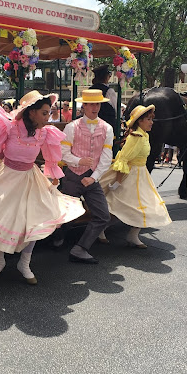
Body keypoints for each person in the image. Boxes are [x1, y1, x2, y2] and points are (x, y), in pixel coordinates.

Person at [0, 92, 84, 284]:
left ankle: (25, 262)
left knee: (35, 219)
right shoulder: (10, 128)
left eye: (49, 113)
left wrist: (54, 178)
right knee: (2, 218)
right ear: (32, 113)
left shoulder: (45, 132)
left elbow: (50, 156)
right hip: (6, 176)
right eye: (44, 113)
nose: (48, 118)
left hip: (31, 178)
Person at [55, 89, 114, 263]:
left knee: (103, 215)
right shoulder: (71, 127)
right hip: (72, 176)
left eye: (98, 104)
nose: (95, 107)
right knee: (66, 213)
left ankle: (80, 249)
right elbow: (63, 152)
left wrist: (94, 177)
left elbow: (106, 157)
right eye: (91, 104)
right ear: (84, 106)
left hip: (91, 178)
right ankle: (59, 236)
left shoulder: (107, 128)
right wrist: (79, 161)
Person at [99, 104, 171, 247]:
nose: (151, 122)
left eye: (151, 119)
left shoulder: (144, 135)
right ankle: (101, 229)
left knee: (144, 206)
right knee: (122, 206)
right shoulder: (136, 137)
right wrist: (118, 182)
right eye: (148, 119)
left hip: (141, 174)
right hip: (130, 176)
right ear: (139, 121)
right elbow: (123, 159)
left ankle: (132, 235)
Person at [92, 64, 117, 131]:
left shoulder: (90, 90)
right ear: (106, 77)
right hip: (107, 125)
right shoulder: (109, 91)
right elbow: (116, 109)